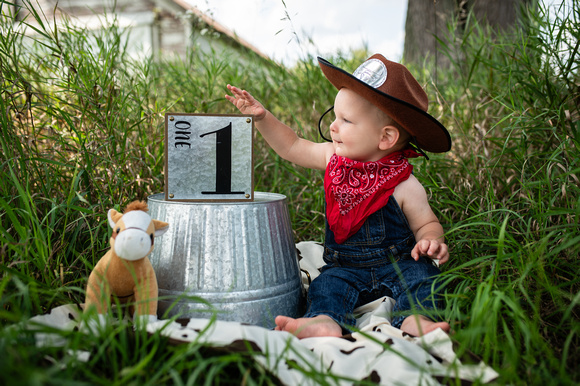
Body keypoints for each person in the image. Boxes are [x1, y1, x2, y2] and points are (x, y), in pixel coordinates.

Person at [225, 54, 452, 338]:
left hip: (398, 264)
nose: (333, 126)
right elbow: (292, 146)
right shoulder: (334, 158)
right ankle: (325, 321)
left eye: (346, 120)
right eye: (334, 116)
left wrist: (432, 242)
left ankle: (416, 320)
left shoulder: (404, 183)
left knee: (424, 278)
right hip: (345, 266)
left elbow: (425, 224)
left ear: (386, 138)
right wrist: (263, 118)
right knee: (326, 286)